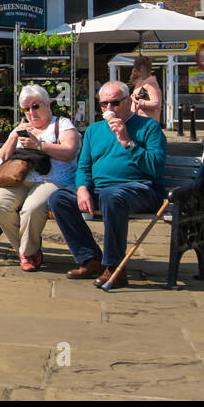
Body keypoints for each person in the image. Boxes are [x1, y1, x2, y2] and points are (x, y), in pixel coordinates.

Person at [47, 80, 167, 289]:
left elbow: (156, 167)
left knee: (112, 196)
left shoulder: (149, 127)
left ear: (129, 101)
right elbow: (84, 166)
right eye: (104, 104)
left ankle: (114, 267)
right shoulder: (94, 130)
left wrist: (126, 141)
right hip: (102, 190)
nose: (109, 109)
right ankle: (90, 258)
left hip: (141, 188)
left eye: (114, 103)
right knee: (59, 198)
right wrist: (83, 188)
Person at [0, 84, 80, 272]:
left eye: (35, 106)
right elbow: (5, 156)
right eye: (26, 108)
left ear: (47, 104)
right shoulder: (22, 127)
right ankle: (28, 251)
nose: (31, 112)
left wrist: (39, 145)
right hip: (20, 179)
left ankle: (27, 253)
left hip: (53, 178)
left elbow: (69, 152)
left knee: (33, 208)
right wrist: (15, 134)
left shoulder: (61, 124)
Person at [129, 55, 163, 124]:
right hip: (139, 120)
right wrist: (133, 74)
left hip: (147, 122)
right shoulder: (140, 81)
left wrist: (139, 102)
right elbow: (132, 80)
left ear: (141, 68)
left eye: (136, 69)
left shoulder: (151, 84)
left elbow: (156, 103)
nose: (135, 71)